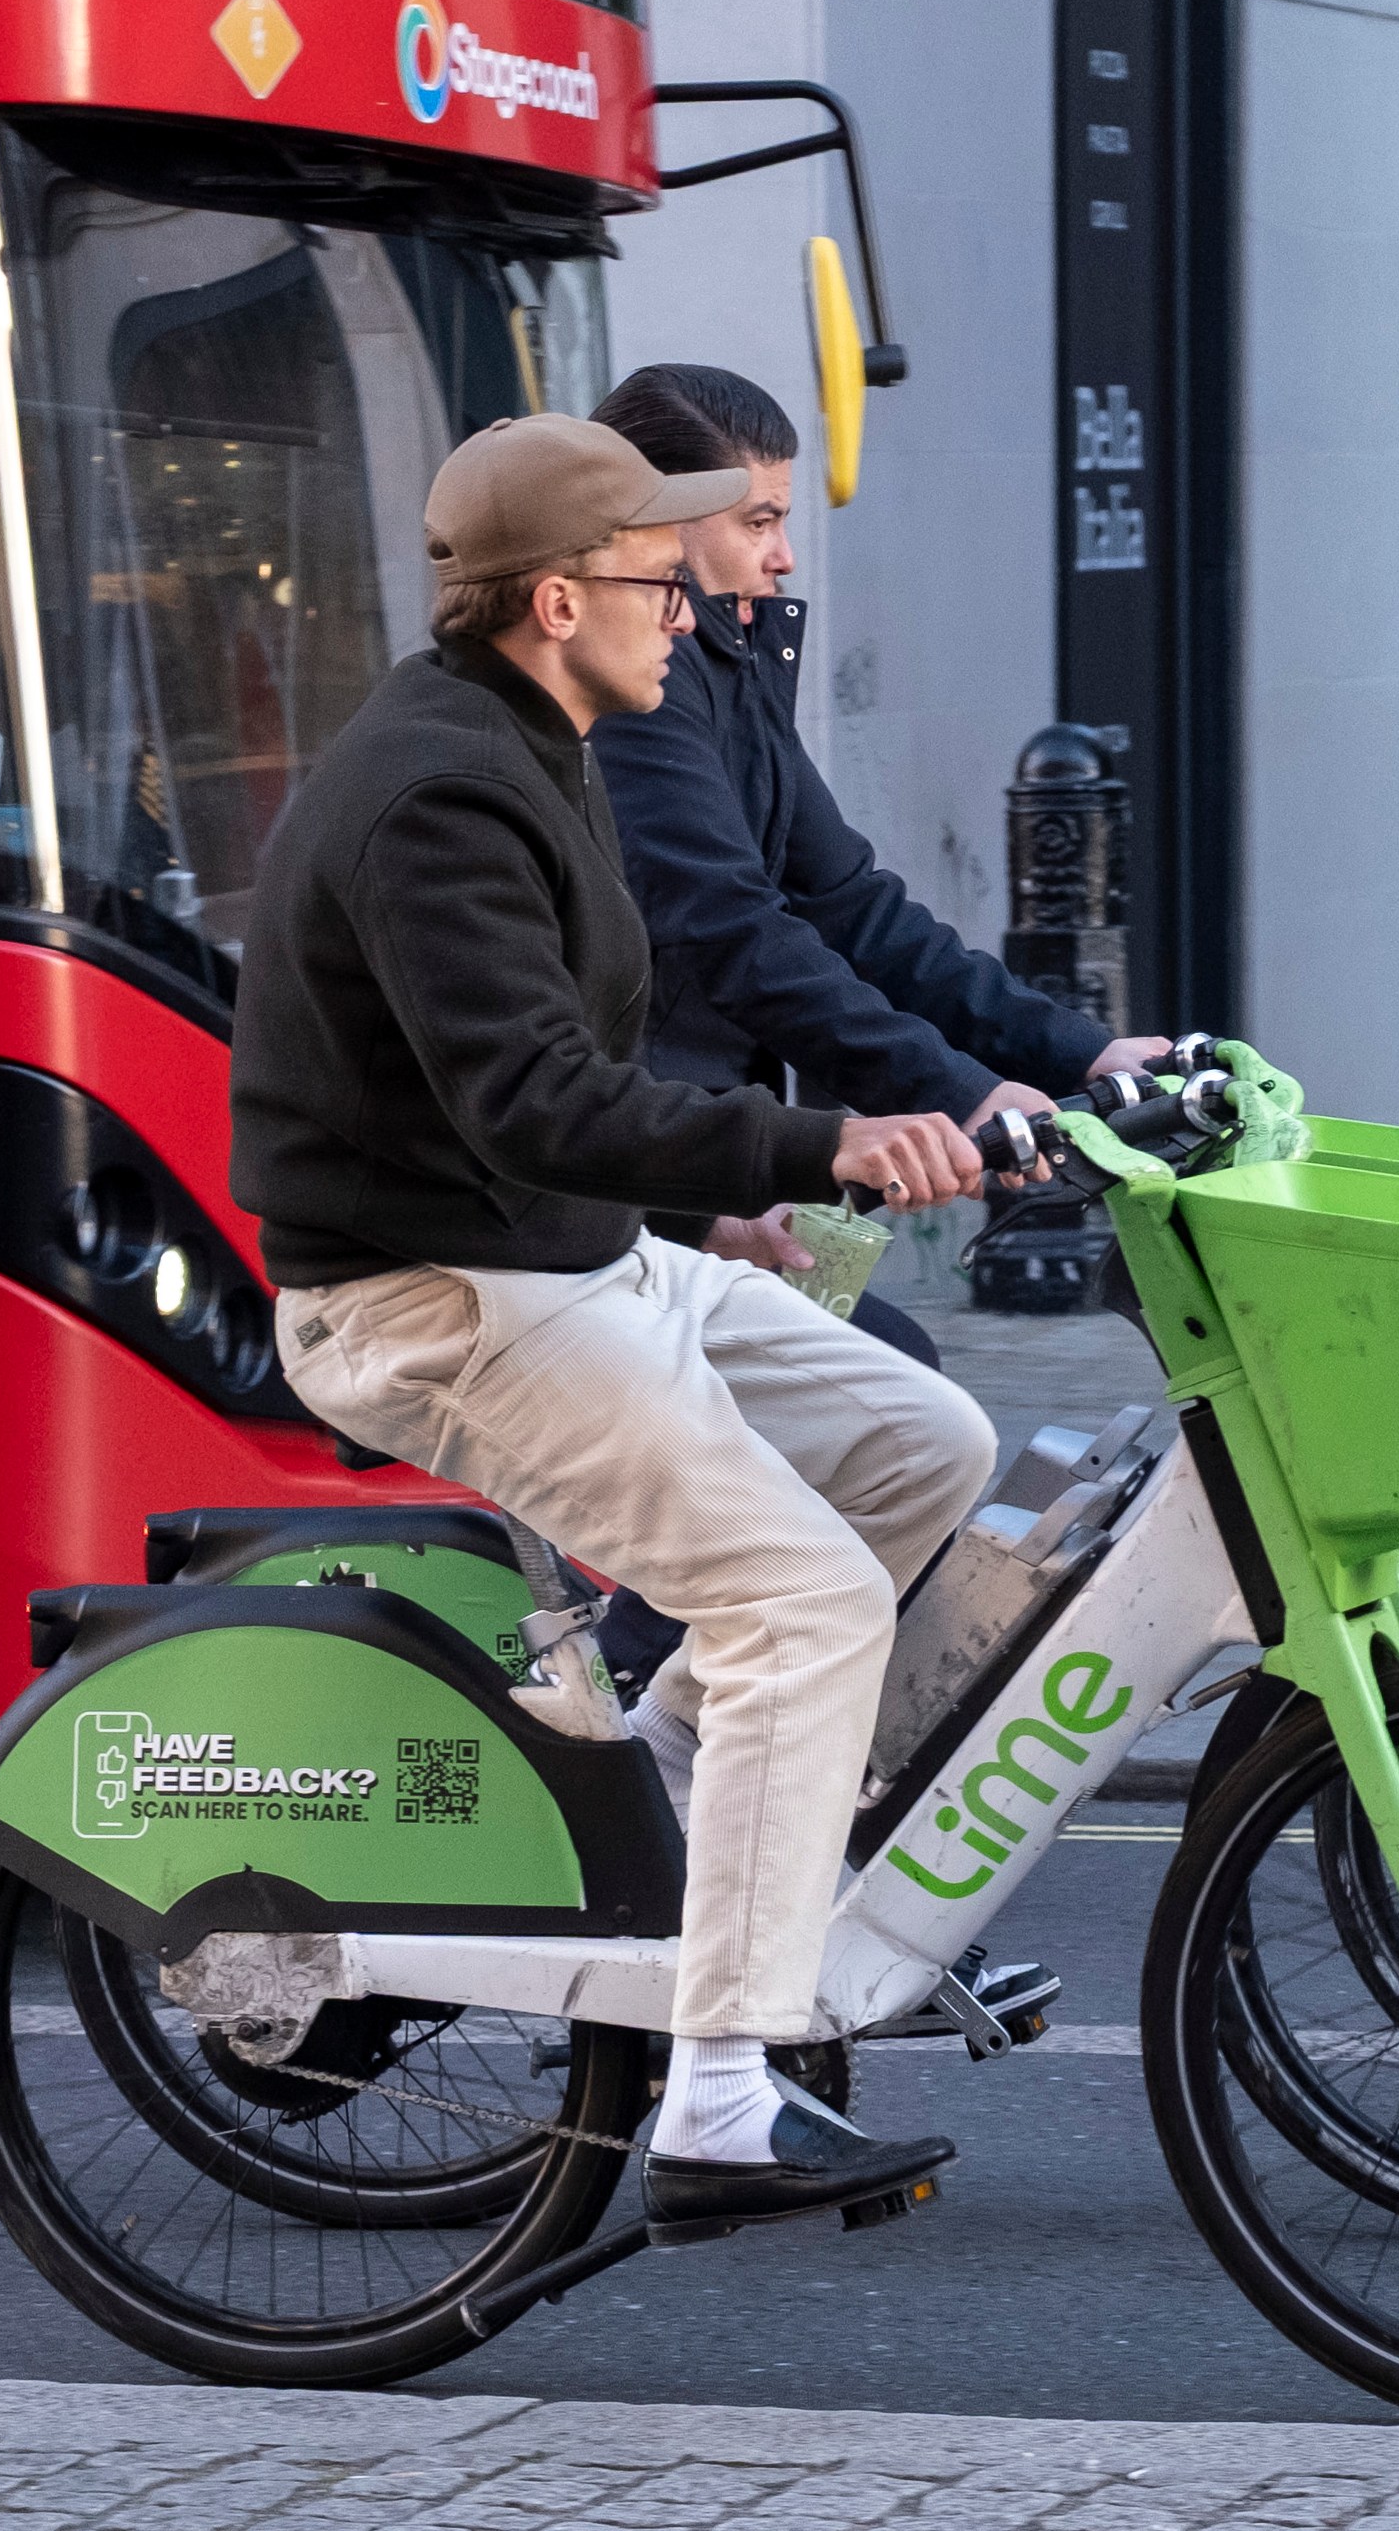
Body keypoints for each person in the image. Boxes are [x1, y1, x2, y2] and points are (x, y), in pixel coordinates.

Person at [232, 411, 997, 2238]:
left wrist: (710, 1210)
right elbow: (532, 1098)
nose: (696, 608)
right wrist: (821, 1145)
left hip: (565, 1251)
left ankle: (664, 1776)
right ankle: (721, 2097)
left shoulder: (545, 736)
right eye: (664, 577)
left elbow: (552, 1104)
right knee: (803, 1599)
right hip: (433, 1297)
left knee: (927, 1443)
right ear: (553, 597)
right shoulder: (441, 792)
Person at [587, 361, 1176, 1372]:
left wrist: (1080, 1055)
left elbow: (854, 909)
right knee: (897, 1396)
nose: (782, 557)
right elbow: (731, 928)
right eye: (759, 521)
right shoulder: (645, 689)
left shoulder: (729, 670)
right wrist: (958, 1090)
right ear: (664, 522)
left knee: (900, 1389)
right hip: (640, 1159)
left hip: (706, 1156)